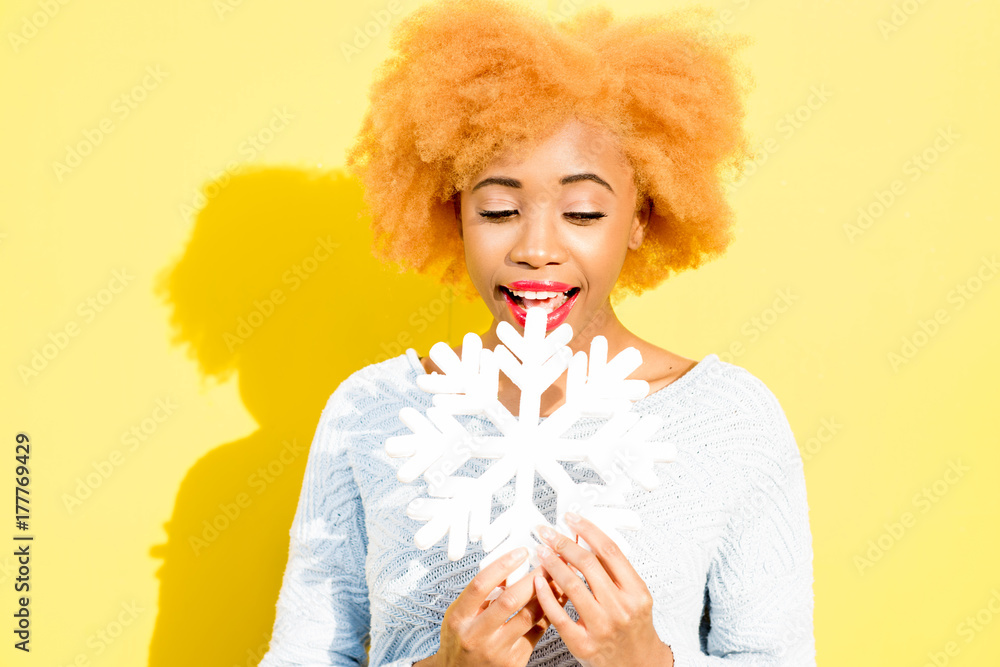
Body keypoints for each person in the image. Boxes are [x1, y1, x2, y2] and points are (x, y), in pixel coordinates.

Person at [259, 0, 815, 665]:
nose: (537, 248)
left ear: (640, 216)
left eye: (582, 211)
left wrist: (649, 660)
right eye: (499, 209)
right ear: (453, 213)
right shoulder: (371, 410)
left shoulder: (728, 418)